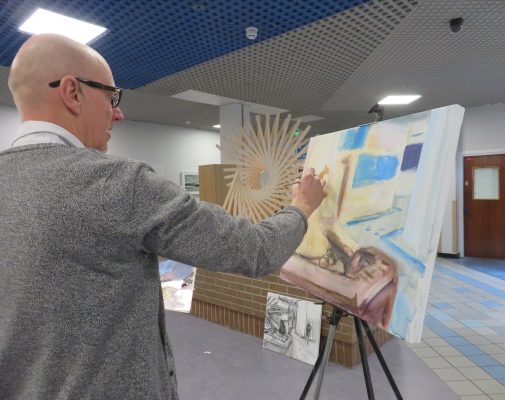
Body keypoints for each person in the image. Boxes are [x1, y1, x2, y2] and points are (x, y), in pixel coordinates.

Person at [0, 34, 325, 400]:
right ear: (73, 92)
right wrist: (303, 206)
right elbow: (254, 250)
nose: (118, 113)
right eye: (111, 96)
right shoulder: (118, 184)